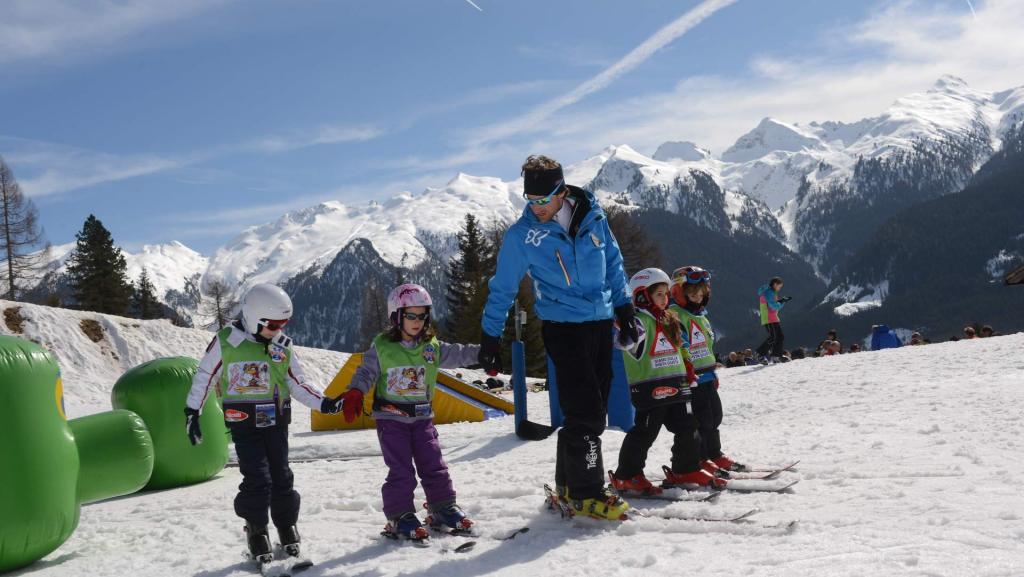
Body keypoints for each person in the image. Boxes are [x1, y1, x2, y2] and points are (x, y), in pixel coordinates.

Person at [478, 154, 633, 521]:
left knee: (594, 405)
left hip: (600, 322)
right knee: (588, 413)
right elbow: (502, 287)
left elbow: (613, 260)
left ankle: (568, 482)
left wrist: (624, 307)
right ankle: (587, 493)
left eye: (543, 200)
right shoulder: (522, 236)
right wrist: (489, 336)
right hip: (563, 327)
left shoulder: (594, 215)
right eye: (530, 201)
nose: (536, 208)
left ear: (562, 192)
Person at [184, 284, 342, 565]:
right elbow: (205, 375)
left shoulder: (282, 346)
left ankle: (286, 526)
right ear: (256, 318)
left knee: (282, 476)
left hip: (276, 422)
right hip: (244, 424)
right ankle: (256, 529)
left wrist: (324, 402)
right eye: (274, 325)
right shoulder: (226, 342)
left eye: (284, 324)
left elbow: (297, 382)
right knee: (258, 478)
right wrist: (192, 410)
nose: (279, 330)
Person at [342, 284, 480, 542]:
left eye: (422, 316)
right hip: (391, 420)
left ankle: (442, 507)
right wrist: (355, 391)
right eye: (411, 316)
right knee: (401, 470)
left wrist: (485, 353)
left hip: (422, 418)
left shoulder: (431, 347)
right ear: (396, 316)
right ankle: (400, 515)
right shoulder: (382, 346)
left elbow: (458, 353)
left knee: (434, 465)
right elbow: (365, 371)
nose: (418, 322)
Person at [608, 269, 723, 495]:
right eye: (659, 294)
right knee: (645, 432)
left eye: (665, 294)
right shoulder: (639, 322)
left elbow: (682, 350)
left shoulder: (668, 319)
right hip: (650, 388)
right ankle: (627, 475)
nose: (665, 299)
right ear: (642, 296)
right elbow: (624, 341)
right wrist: (622, 324)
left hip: (677, 385)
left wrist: (689, 370)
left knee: (688, 426)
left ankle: (686, 468)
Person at [668, 265, 745, 474]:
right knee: (700, 421)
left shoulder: (701, 316)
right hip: (691, 378)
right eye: (692, 293)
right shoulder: (675, 315)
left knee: (715, 417)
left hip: (707, 375)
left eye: (701, 293)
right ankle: (700, 458)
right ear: (679, 292)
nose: (697, 297)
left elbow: (707, 346)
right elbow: (679, 346)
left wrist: (713, 371)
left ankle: (714, 454)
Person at [755, 277, 790, 364]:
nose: (779, 288)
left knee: (780, 337)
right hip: (768, 318)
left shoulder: (771, 292)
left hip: (773, 317)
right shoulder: (768, 293)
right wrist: (782, 302)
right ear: (775, 284)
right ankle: (759, 354)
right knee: (773, 337)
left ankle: (776, 356)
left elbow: (773, 305)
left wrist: (781, 300)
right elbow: (773, 306)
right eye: (779, 286)